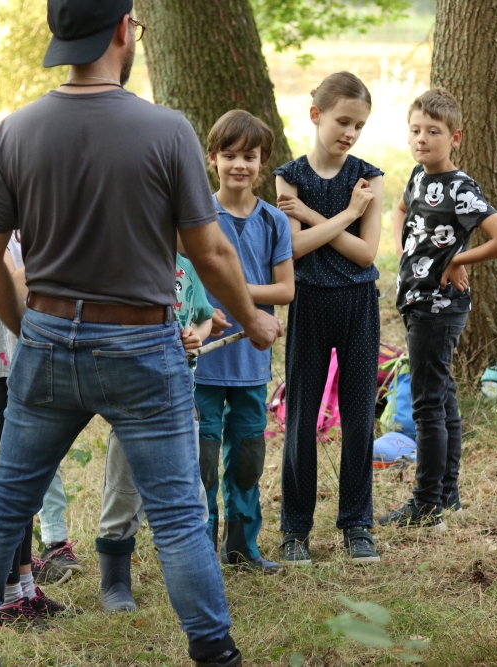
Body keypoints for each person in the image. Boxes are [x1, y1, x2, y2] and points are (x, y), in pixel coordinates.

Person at [0, 2, 281, 665]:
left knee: (9, 496)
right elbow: (209, 252)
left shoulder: (14, 132)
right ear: (124, 30)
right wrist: (251, 319)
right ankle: (216, 654)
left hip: (45, 340)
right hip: (141, 348)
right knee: (180, 511)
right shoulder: (167, 131)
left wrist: (35, 331)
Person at [380, 88, 497, 531]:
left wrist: (456, 259)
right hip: (415, 300)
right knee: (442, 397)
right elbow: (401, 209)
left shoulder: (460, 189)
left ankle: (425, 504)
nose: (422, 139)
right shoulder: (418, 178)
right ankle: (447, 495)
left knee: (426, 406)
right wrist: (406, 248)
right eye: (416, 130)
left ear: (455, 137)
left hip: (439, 308)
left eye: (433, 132)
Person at [274, 72, 384, 566]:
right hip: (309, 302)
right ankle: (294, 530)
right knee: (301, 419)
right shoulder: (289, 177)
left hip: (358, 304)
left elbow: (365, 254)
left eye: (359, 125)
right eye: (342, 121)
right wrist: (346, 215)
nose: (350, 133)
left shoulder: (368, 177)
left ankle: (357, 525)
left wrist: (319, 219)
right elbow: (293, 248)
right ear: (316, 114)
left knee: (360, 419)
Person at [0, 136, 75, 627]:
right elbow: (13, 287)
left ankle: (26, 585)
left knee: (28, 482)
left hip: (20, 363)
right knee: (14, 485)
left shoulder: (21, 232)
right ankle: (8, 593)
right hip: (8, 368)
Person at [195, 110, 294, 574]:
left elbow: (286, 290)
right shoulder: (196, 219)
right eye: (229, 155)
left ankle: (242, 547)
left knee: (248, 456)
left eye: (249, 157)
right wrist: (207, 299)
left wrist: (232, 290)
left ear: (263, 162)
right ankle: (201, 549)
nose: (240, 165)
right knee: (204, 458)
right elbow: (185, 279)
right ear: (212, 158)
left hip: (252, 360)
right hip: (204, 360)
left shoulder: (273, 222)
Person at [95, 244, 215, 613]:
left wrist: (197, 334)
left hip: (181, 398)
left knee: (190, 492)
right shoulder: (126, 263)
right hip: (132, 398)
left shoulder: (188, 267)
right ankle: (115, 581)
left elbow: (204, 317)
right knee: (123, 490)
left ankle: (196, 576)